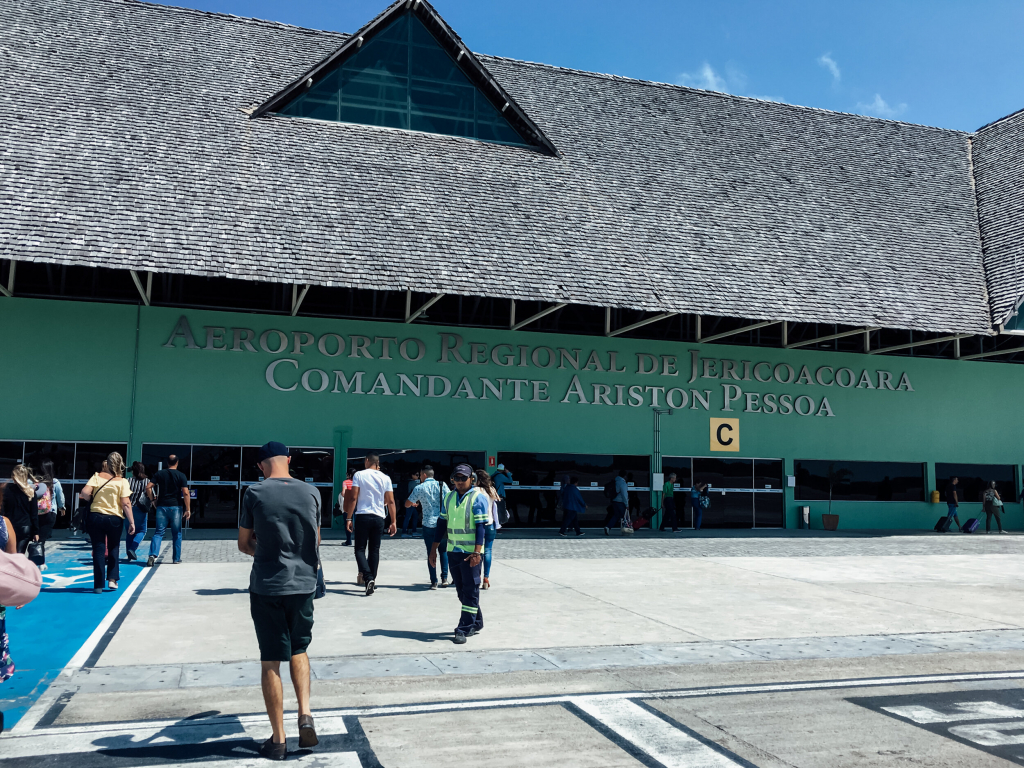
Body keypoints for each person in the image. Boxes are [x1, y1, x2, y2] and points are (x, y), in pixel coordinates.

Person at [237, 441, 320, 761]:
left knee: (271, 659)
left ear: (261, 465)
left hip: (268, 586)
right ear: (288, 459)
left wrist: (267, 549)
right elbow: (316, 538)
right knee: (299, 649)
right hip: (303, 585)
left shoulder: (254, 493)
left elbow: (244, 544)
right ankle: (305, 713)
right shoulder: (311, 492)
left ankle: (278, 738)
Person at [429, 464, 488, 644]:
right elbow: (441, 524)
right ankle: (476, 621)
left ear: (472, 479)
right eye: (457, 478)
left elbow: (480, 527)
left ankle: (463, 628)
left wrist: (477, 552)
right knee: (462, 591)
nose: (460, 481)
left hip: (472, 554)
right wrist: (433, 549)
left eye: (464, 478)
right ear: (452, 479)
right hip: (453, 552)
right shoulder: (449, 497)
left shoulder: (478, 498)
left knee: (470, 590)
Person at [79, 452, 134, 592]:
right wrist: (132, 522)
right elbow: (126, 503)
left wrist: (92, 497)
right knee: (114, 548)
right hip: (114, 518)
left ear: (107, 463)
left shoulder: (96, 477)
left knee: (98, 549)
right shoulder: (122, 481)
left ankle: (98, 585)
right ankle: (112, 579)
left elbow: (84, 493)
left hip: (96, 516)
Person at [345, 454, 397, 596]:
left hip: (363, 515)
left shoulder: (359, 475)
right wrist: (393, 521)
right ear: (377, 463)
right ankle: (371, 579)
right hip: (379, 517)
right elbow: (391, 501)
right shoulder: (385, 478)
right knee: (374, 550)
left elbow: (354, 497)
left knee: (359, 549)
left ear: (367, 461)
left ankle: (368, 578)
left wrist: (349, 518)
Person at [406, 466, 450, 589]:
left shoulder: (419, 488)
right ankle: (444, 578)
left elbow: (407, 504)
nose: (419, 477)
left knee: (431, 552)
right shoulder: (442, 485)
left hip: (428, 524)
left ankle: (433, 581)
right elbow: (450, 500)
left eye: (420, 475)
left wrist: (416, 503)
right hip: (442, 522)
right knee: (443, 551)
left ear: (424, 475)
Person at [148, 455, 191, 566]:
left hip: (162, 506)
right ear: (177, 462)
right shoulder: (181, 475)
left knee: (158, 532)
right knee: (176, 533)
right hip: (176, 507)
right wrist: (188, 509)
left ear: (167, 463)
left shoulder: (159, 474)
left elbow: (148, 487)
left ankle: (152, 555)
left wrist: (153, 499)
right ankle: (176, 558)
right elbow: (186, 493)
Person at [474, 469, 501, 589]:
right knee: (488, 550)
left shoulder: (475, 491)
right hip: (491, 524)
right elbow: (497, 503)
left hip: (478, 524)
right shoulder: (491, 490)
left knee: (477, 550)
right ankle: (486, 578)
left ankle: (477, 576)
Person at [3, 465, 38, 554]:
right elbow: (34, 514)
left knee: (9, 554)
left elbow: (3, 510)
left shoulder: (7, 491)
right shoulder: (30, 492)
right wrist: (36, 532)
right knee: (20, 553)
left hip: (10, 526)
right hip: (25, 526)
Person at [126, 461, 154, 561]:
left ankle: (129, 553)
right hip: (141, 508)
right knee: (142, 530)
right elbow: (151, 493)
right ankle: (133, 548)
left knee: (129, 531)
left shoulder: (128, 481)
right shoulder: (147, 481)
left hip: (128, 508)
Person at [602, 469, 629, 535]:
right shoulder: (622, 483)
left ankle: (608, 527)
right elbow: (624, 494)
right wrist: (627, 504)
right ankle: (625, 530)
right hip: (621, 502)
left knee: (616, 515)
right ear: (625, 476)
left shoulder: (615, 481)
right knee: (624, 517)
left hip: (614, 501)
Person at [401, 470, 421, 538]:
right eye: (416, 474)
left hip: (407, 501)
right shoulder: (413, 483)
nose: (418, 476)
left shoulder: (406, 482)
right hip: (411, 502)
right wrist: (417, 501)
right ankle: (405, 531)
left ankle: (413, 530)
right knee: (408, 517)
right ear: (412, 475)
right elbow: (415, 493)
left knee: (414, 516)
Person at [340, 469, 354, 547]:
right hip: (358, 506)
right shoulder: (358, 483)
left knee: (347, 523)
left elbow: (343, 493)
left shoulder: (346, 482)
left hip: (348, 505)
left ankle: (349, 540)